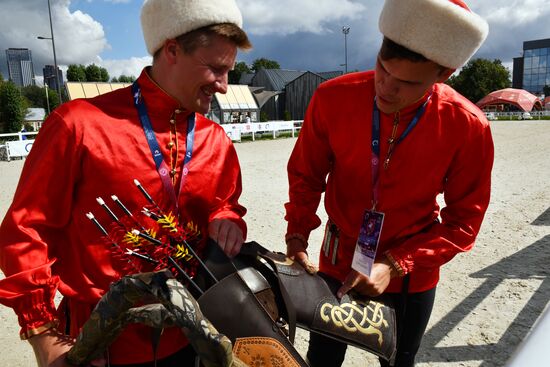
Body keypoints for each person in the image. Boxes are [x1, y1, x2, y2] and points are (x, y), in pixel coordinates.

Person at [0, 0, 251, 365]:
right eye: (215, 69)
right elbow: (26, 231)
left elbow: (224, 203)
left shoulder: (217, 141)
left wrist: (227, 217)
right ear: (172, 50)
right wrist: (43, 334)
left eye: (229, 71)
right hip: (100, 345)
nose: (225, 86)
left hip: (191, 337)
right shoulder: (77, 125)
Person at [284, 0, 493, 366]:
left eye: (408, 82)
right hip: (338, 260)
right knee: (323, 357)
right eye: (383, 66)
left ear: (443, 74)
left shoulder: (467, 125)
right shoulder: (333, 97)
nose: (386, 88)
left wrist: (397, 263)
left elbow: (464, 223)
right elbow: (306, 174)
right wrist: (297, 234)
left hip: (412, 272)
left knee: (399, 360)